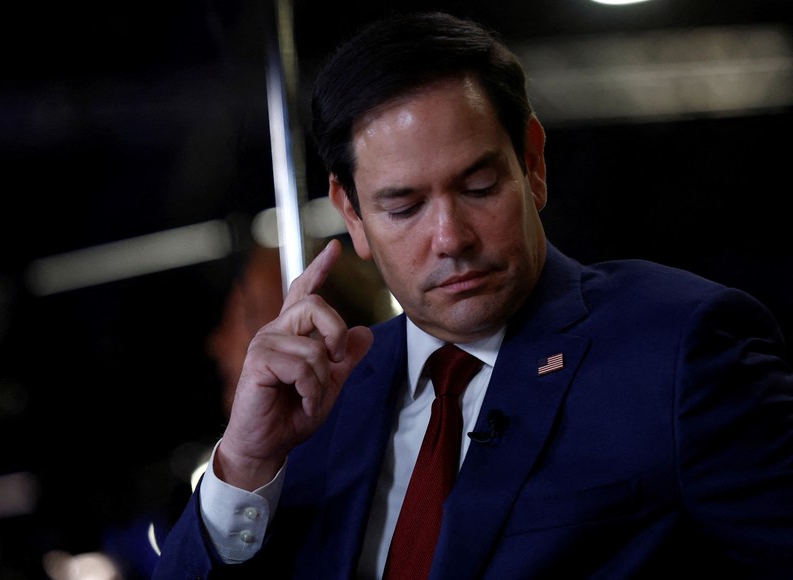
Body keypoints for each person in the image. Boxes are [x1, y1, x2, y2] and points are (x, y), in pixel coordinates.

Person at [152, 11, 793, 579]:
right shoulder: (317, 401)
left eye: (479, 186)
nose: (450, 238)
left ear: (532, 164)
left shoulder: (681, 348)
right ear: (351, 215)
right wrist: (243, 462)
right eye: (402, 207)